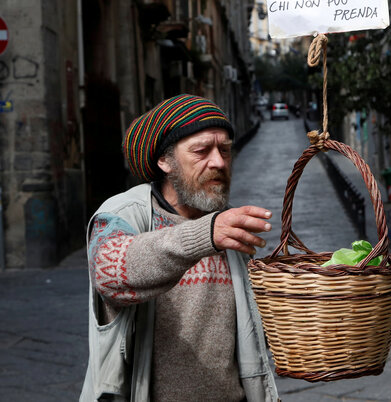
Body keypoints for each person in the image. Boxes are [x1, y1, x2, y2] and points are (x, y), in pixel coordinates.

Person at [80, 94, 279, 402]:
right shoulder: (122, 213)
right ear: (165, 161)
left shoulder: (229, 224)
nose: (219, 162)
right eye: (202, 151)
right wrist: (203, 235)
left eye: (225, 150)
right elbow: (110, 275)